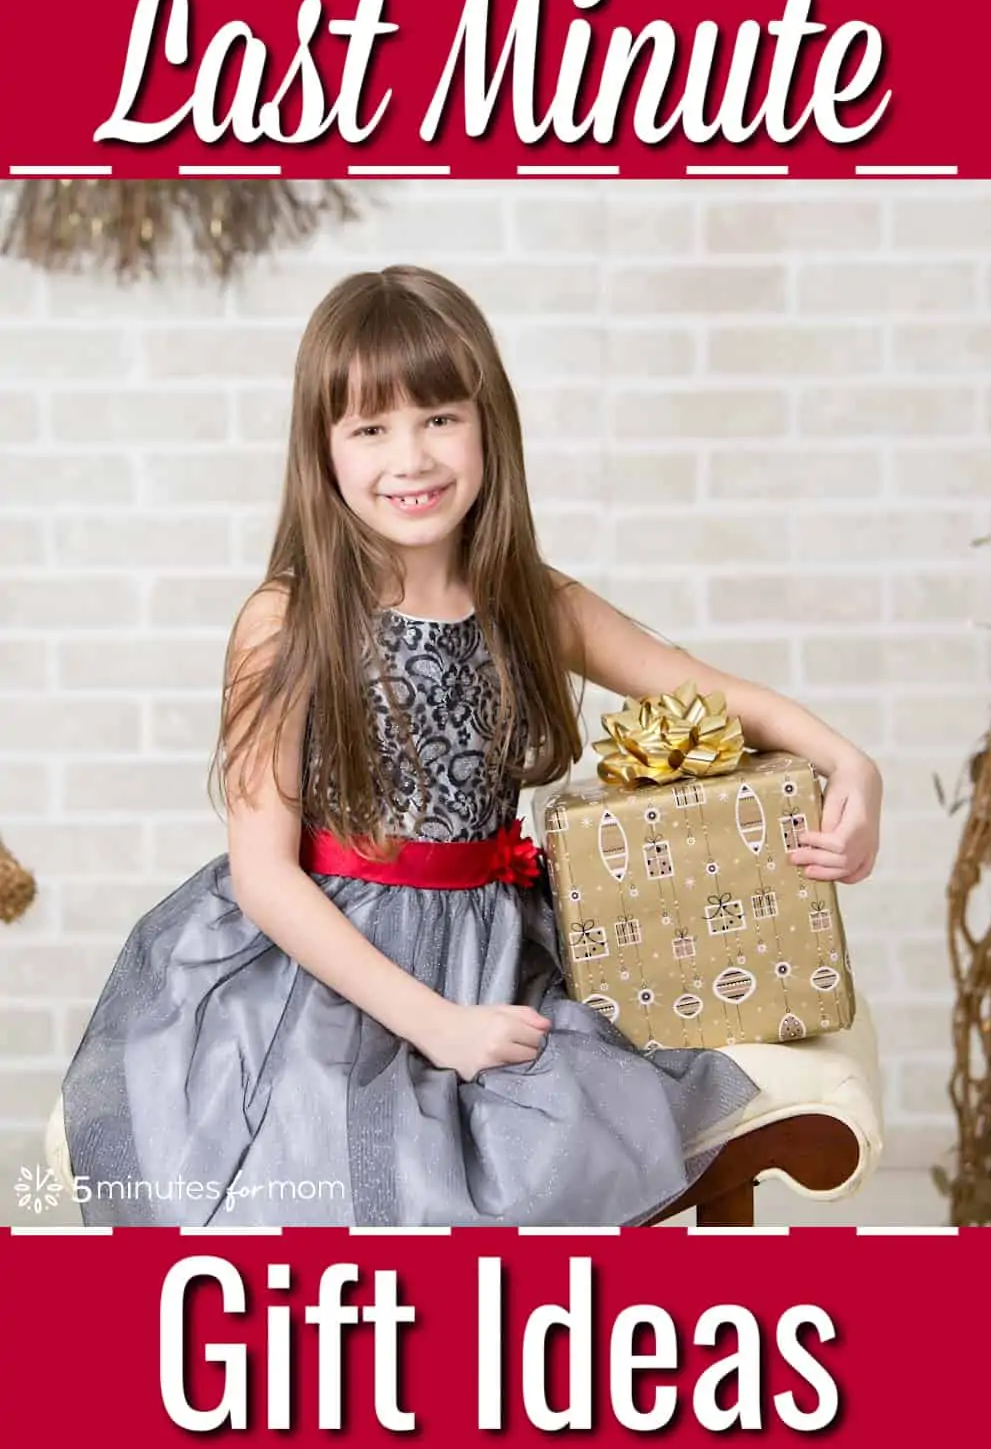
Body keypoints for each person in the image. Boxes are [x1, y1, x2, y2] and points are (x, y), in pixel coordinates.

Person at [56, 265, 882, 1227]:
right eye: (370, 429)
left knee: (578, 1125)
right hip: (333, 969)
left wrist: (849, 762)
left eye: (440, 417)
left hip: (500, 945)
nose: (411, 458)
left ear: (489, 425)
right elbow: (264, 876)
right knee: (349, 1164)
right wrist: (438, 1027)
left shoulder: (533, 597)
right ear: (322, 453)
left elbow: (700, 685)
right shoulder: (289, 621)